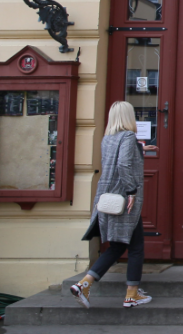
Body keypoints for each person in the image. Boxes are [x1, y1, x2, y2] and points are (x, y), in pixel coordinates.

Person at [71, 101, 154, 309]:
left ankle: (84, 284)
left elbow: (116, 157)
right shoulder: (128, 136)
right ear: (128, 116)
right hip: (124, 198)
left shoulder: (107, 138)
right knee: (136, 247)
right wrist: (131, 191)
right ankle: (131, 295)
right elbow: (123, 164)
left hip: (107, 196)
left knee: (118, 245)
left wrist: (140, 148)